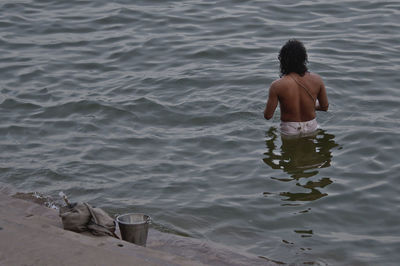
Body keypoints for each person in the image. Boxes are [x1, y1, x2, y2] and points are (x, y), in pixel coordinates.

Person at [264, 39, 329, 136]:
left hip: (289, 130)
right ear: (304, 59)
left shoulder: (276, 85)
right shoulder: (317, 80)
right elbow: (325, 107)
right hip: (312, 127)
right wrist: (311, 105)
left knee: (289, 151)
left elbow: (268, 116)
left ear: (283, 60)